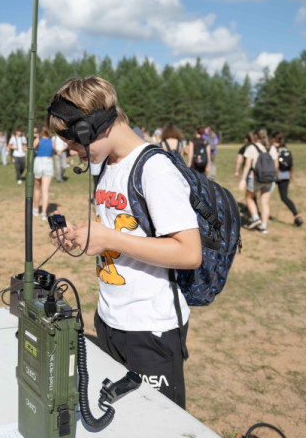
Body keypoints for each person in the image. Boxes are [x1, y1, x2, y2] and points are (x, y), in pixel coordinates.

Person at [46, 76, 201, 410]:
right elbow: (119, 233)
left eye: (74, 143)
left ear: (94, 129)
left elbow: (189, 253)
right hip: (110, 319)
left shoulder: (154, 169)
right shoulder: (107, 167)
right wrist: (84, 236)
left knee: (158, 424)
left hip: (151, 329)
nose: (71, 151)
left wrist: (107, 237)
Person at [240, 128, 279, 234]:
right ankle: (264, 226)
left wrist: (243, 179)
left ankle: (256, 218)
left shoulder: (252, 147)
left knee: (249, 198)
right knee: (265, 202)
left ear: (256, 136)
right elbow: (276, 165)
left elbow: (247, 165)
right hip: (270, 179)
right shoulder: (272, 148)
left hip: (255, 178)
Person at [271, 132, 303, 227]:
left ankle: (256, 215)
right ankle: (296, 215)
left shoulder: (272, 149)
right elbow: (290, 164)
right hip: (285, 176)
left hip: (273, 176)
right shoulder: (287, 150)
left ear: (273, 139)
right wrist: (291, 175)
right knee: (284, 197)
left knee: (263, 195)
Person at [33, 126, 55, 220]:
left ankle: (35, 209)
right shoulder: (52, 142)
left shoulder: (38, 139)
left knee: (37, 188)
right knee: (45, 190)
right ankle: (44, 214)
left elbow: (32, 148)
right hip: (48, 161)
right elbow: (53, 152)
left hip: (38, 162)